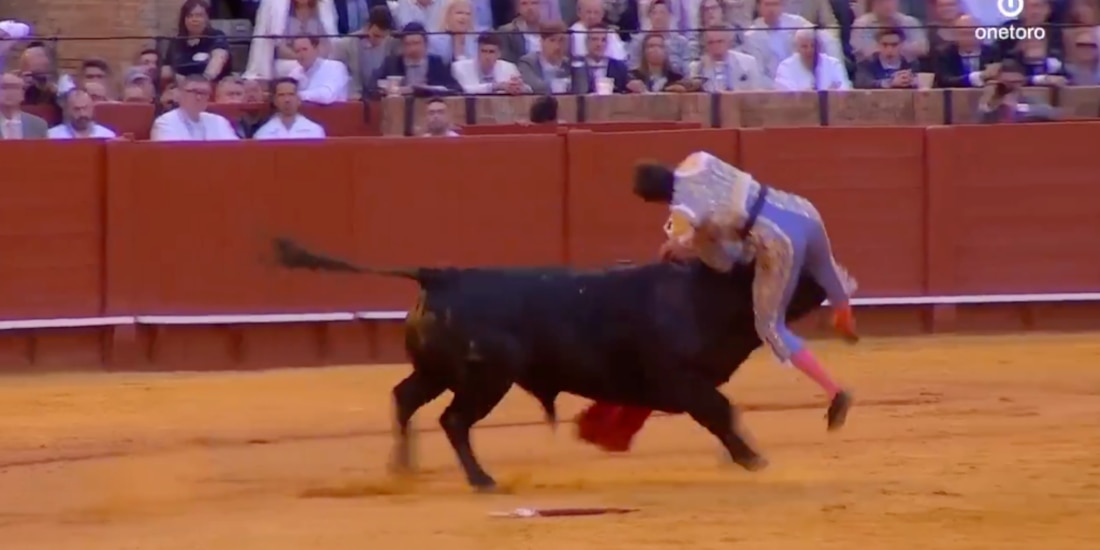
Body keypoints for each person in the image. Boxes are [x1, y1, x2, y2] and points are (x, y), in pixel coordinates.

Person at [634, 152, 857, 430]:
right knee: (824, 264)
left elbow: (724, 260)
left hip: (775, 239)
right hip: (799, 209)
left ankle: (834, 390)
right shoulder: (697, 160)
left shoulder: (683, 211)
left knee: (769, 326)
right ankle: (844, 312)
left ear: (656, 199)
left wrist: (682, 246)